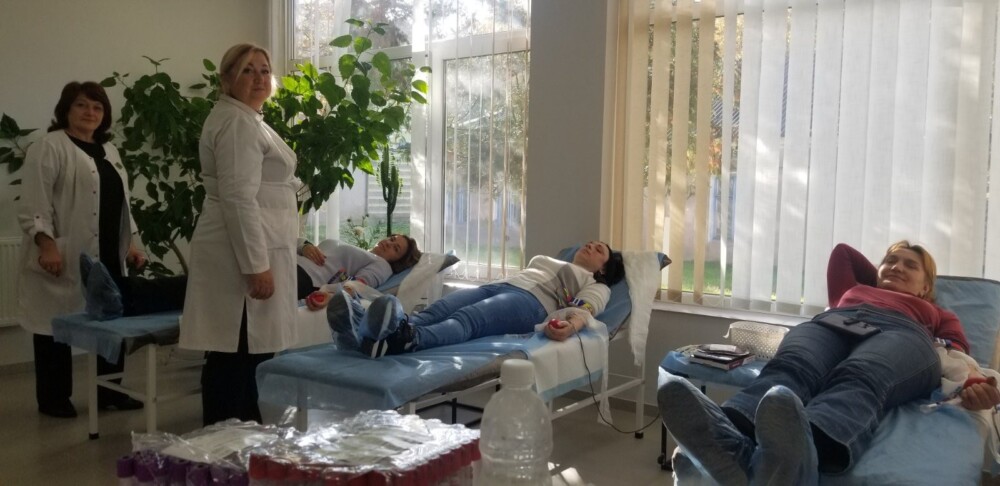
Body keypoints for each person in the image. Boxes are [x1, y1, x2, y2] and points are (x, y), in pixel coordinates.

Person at [659, 241, 1000, 485]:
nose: (897, 267)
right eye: (891, 260)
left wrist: (974, 386)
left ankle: (808, 450)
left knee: (860, 375)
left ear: (927, 286)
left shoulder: (938, 312)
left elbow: (959, 355)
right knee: (790, 368)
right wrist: (883, 278)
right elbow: (843, 252)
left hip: (905, 334)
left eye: (911, 265)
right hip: (836, 321)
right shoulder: (850, 289)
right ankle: (732, 443)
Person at [16, 81, 159, 418]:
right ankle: (53, 399)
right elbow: (34, 204)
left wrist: (131, 245)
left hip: (108, 251)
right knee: (54, 324)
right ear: (66, 109)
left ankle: (111, 392)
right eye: (81, 105)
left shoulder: (110, 151)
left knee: (111, 322)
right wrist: (47, 245)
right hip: (63, 252)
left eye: (97, 107)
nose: (90, 112)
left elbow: (123, 204)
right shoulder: (49, 146)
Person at [179, 43, 300, 426]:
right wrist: (255, 266)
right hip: (241, 252)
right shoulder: (236, 123)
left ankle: (243, 435)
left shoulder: (249, 119)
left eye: (264, 70)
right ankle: (227, 440)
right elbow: (237, 198)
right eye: (248, 70)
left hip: (254, 243)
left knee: (245, 353)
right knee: (237, 351)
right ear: (227, 79)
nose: (259, 78)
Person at [310, 241, 625, 358]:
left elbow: (586, 309)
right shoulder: (553, 260)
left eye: (599, 250)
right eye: (591, 243)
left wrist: (571, 325)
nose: (590, 246)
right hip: (500, 285)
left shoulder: (596, 284)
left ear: (603, 269)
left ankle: (406, 340)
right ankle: (363, 334)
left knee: (467, 320)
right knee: (437, 309)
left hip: (530, 303)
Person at [295, 234, 421, 300]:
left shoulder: (383, 266)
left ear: (397, 262)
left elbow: (358, 286)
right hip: (292, 261)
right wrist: (305, 246)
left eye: (395, 248)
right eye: (392, 239)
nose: (389, 243)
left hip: (305, 276)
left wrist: (330, 295)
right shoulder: (364, 254)